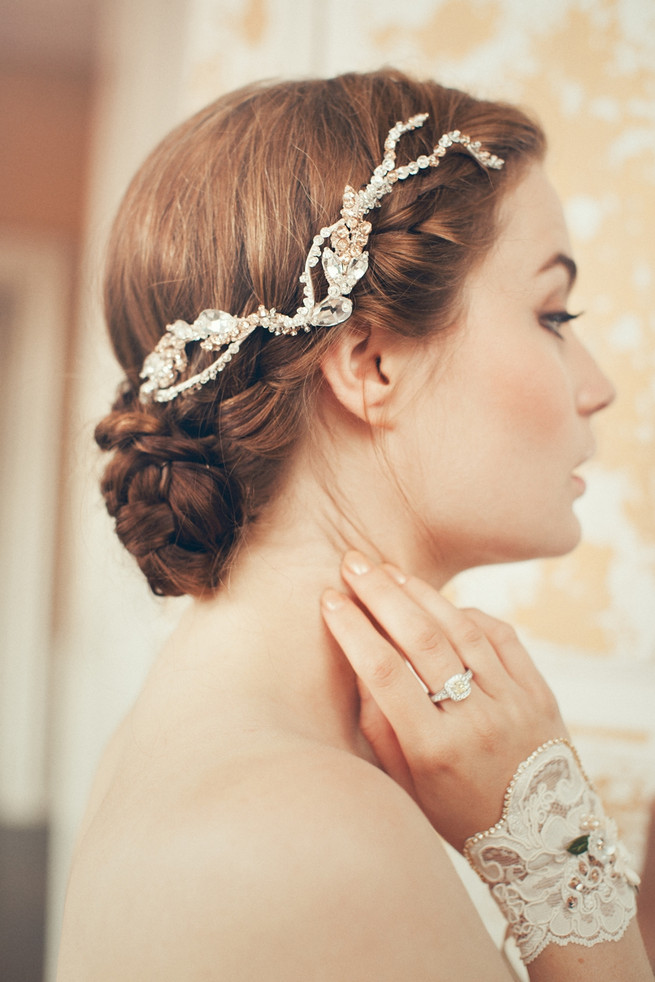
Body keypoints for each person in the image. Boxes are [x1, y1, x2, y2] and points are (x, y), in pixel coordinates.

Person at [56, 69, 653, 980]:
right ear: (369, 362)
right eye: (551, 314)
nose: (596, 386)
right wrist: (554, 853)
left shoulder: (220, 746)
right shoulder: (308, 838)